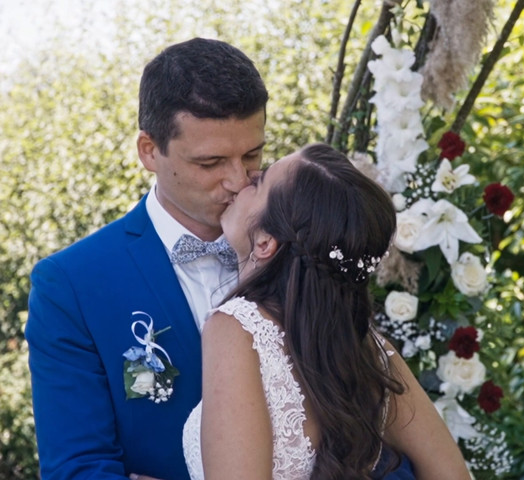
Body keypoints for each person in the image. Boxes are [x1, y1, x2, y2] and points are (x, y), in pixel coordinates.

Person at [26, 39, 417, 479]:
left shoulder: (304, 246)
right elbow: (75, 469)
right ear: (149, 151)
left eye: (252, 155)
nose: (236, 180)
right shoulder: (72, 285)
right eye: (211, 162)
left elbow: (381, 434)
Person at [181, 143, 471, 479]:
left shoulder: (235, 328)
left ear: (265, 242)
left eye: (260, 183)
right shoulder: (368, 350)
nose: (249, 176)